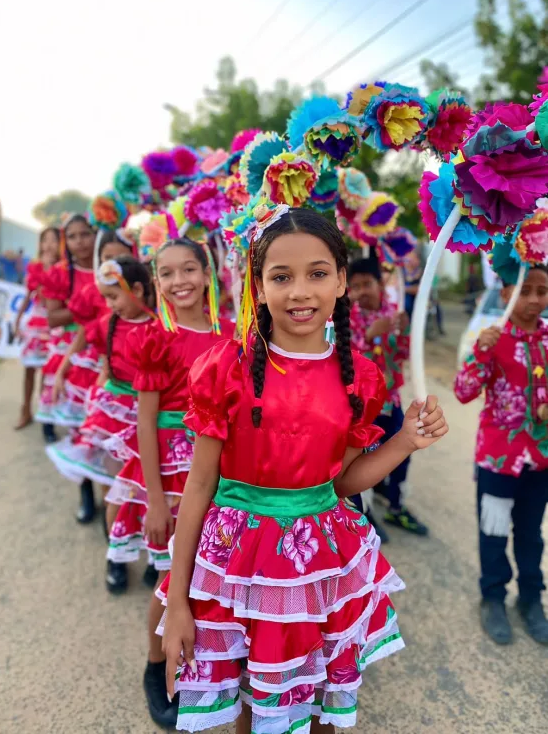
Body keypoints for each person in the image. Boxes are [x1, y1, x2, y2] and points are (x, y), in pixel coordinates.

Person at [159, 207, 448, 734]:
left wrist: (405, 440)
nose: (299, 292)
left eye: (317, 274)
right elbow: (198, 485)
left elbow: (340, 484)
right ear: (258, 285)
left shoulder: (360, 375)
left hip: (321, 563)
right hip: (240, 562)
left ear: (341, 280)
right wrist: (178, 601)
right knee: (257, 700)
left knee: (319, 698)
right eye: (281, 276)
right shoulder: (228, 366)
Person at [104, 237, 235, 728]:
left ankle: (202, 660)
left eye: (188, 270)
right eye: (166, 273)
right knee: (168, 582)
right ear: (155, 282)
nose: (178, 281)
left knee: (207, 575)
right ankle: (156, 664)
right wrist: (154, 498)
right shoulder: (155, 336)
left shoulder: (232, 335)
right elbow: (145, 421)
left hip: (215, 473)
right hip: (168, 473)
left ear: (207, 274)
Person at [454, 264, 548, 646]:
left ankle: (530, 600)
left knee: (530, 534)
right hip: (497, 460)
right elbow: (462, 390)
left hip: (539, 461)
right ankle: (493, 597)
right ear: (506, 293)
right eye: (525, 291)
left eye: (542, 291)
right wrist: (481, 352)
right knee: (493, 532)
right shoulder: (491, 339)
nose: (534, 300)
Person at [46, 256, 154, 544]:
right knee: (116, 487)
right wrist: (64, 375)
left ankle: (145, 550)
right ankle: (114, 551)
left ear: (139, 290)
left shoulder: (160, 327)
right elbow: (103, 363)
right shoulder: (108, 324)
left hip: (148, 414)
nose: (109, 304)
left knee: (144, 490)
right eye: (106, 297)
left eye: (114, 296)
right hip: (114, 416)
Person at [348, 251, 429, 540]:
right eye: (353, 287)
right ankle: (364, 514)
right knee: (363, 459)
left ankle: (396, 506)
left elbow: (405, 354)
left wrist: (406, 331)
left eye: (366, 284)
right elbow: (344, 358)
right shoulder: (346, 318)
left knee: (401, 455)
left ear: (380, 284)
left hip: (391, 404)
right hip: (360, 410)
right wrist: (367, 337)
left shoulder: (393, 314)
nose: (360, 293)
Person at [35, 214, 96, 440]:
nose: (79, 241)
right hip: (71, 344)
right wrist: (92, 306)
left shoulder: (108, 269)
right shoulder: (59, 273)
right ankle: (50, 426)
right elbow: (53, 318)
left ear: (95, 235)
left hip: (100, 344)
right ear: (65, 242)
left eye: (85, 234)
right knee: (66, 398)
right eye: (72, 237)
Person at [14, 227, 60, 430]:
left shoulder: (62, 270)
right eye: (45, 240)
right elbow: (28, 296)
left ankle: (44, 415)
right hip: (35, 325)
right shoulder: (34, 268)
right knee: (29, 370)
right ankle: (25, 410)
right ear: (40, 244)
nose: (49, 244)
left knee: (47, 372)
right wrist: (17, 322)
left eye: (53, 240)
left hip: (53, 326)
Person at [403, 249, 422, 319]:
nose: (409, 260)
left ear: (418, 261)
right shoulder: (401, 273)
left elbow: (419, 290)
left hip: (415, 304)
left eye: (413, 258)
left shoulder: (421, 273)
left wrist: (404, 289)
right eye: (408, 257)